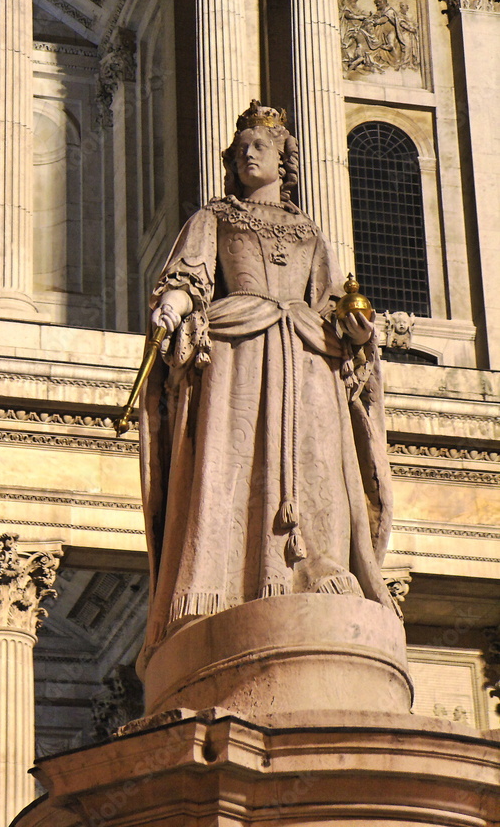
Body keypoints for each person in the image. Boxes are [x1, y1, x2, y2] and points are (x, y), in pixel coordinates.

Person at [139, 101, 394, 660]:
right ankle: (222, 584)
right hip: (239, 351)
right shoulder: (214, 218)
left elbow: (331, 301)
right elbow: (192, 274)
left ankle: (316, 565)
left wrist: (356, 328)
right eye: (241, 148)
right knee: (232, 461)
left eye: (262, 146)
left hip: (307, 355)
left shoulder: (308, 231)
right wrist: (175, 303)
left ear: (284, 160)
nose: (249, 154)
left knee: (318, 460)